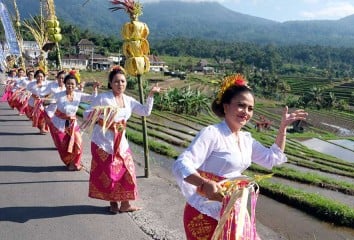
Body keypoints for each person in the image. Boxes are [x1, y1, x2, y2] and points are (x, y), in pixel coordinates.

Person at [172, 74, 308, 239]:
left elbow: (272, 158)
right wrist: (204, 183)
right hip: (206, 211)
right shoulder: (212, 133)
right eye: (241, 106)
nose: (246, 112)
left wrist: (283, 129)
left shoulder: (246, 140)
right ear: (226, 106)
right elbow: (181, 164)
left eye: (250, 108)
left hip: (233, 208)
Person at [83, 66, 161, 214]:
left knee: (127, 171)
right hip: (103, 142)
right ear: (110, 83)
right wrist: (99, 112)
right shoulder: (103, 98)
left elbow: (145, 111)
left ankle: (125, 203)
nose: (120, 84)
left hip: (121, 142)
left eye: (123, 81)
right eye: (117, 81)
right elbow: (87, 113)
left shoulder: (128, 100)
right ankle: (113, 202)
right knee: (110, 174)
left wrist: (151, 94)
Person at [46, 70, 99, 171]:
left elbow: (92, 98)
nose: (70, 86)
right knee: (63, 145)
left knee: (78, 142)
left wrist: (95, 88)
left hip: (72, 124)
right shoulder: (58, 95)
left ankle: (75, 163)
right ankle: (69, 162)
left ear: (76, 85)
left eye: (72, 84)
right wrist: (49, 117)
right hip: (59, 124)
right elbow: (51, 106)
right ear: (65, 84)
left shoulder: (78, 95)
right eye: (68, 83)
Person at [26, 68, 52, 134]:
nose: (40, 78)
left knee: (43, 116)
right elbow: (27, 92)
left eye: (41, 76)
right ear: (35, 77)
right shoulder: (31, 84)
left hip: (43, 103)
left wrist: (47, 96)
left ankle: (42, 128)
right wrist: (33, 95)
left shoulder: (47, 83)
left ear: (43, 77)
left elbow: (51, 91)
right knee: (34, 117)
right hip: (33, 103)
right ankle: (41, 128)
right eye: (38, 76)